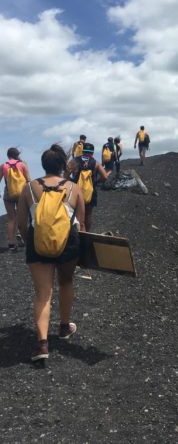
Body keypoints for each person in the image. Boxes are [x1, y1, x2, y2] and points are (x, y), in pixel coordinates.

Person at [17, 144, 86, 362]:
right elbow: (81, 223)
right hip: (68, 242)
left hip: (38, 242)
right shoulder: (74, 188)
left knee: (43, 293)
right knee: (65, 282)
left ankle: (42, 344)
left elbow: (21, 223)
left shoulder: (28, 188)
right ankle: (64, 327)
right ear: (62, 165)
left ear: (43, 165)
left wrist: (32, 242)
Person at [67, 143, 109, 232]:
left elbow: (65, 174)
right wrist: (96, 182)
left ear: (83, 151)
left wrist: (72, 182)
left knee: (74, 214)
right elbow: (105, 176)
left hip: (75, 192)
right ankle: (86, 234)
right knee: (88, 215)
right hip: (90, 192)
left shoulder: (74, 161)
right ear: (92, 153)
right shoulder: (96, 163)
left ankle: (75, 233)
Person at [0, 148, 30, 251]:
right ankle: (21, 236)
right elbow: (28, 180)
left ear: (8, 155)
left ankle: (11, 244)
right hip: (21, 193)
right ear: (17, 155)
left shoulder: (3, 166)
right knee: (22, 217)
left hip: (8, 193)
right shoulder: (22, 165)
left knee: (11, 218)